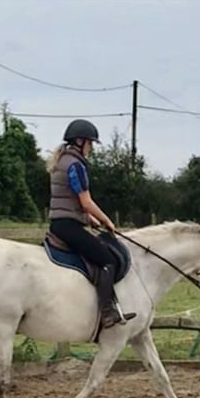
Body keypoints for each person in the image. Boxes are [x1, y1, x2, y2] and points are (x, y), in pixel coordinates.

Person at [46, 118, 135, 329]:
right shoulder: (75, 165)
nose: (92, 148)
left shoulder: (62, 161)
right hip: (68, 226)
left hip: (61, 223)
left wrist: (91, 221)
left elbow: (69, 201)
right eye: (91, 143)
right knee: (107, 260)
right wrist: (106, 221)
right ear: (80, 141)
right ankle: (107, 312)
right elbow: (85, 202)